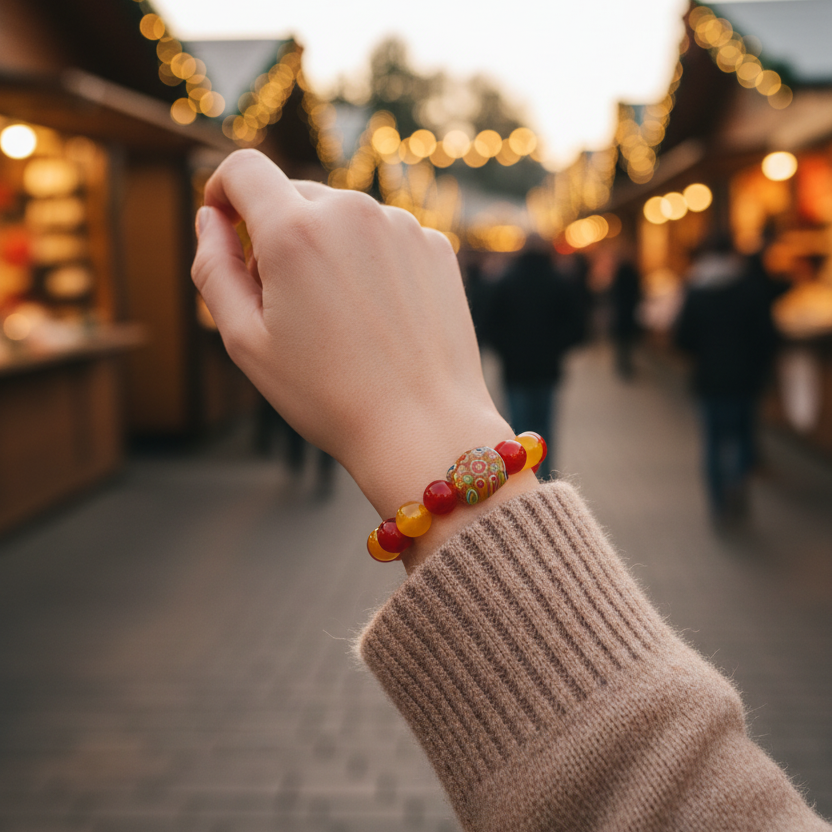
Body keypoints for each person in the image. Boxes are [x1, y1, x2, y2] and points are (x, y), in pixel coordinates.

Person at [191, 151, 829, 832]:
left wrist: (425, 417)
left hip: (512, 386)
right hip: (540, 381)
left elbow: (657, 791)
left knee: (543, 422)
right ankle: (668, 474)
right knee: (543, 425)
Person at [675, 235, 777, 525]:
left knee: (713, 442)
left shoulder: (695, 290)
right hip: (744, 380)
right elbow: (766, 337)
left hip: (709, 380)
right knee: (743, 436)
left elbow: (683, 338)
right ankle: (738, 484)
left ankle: (719, 503)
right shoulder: (751, 290)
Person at [482, 235, 583, 478]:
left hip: (515, 370)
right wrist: (555, 347)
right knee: (545, 430)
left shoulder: (506, 281)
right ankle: (546, 479)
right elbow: (578, 327)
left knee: (519, 431)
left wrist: (508, 349)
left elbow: (489, 326)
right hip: (547, 369)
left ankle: (524, 482)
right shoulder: (559, 281)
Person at [609, 249, 642, 379]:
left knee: (621, 341)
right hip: (629, 312)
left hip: (621, 312)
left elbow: (613, 293)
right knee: (627, 341)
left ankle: (621, 364)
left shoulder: (619, 273)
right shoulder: (633, 273)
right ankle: (625, 364)